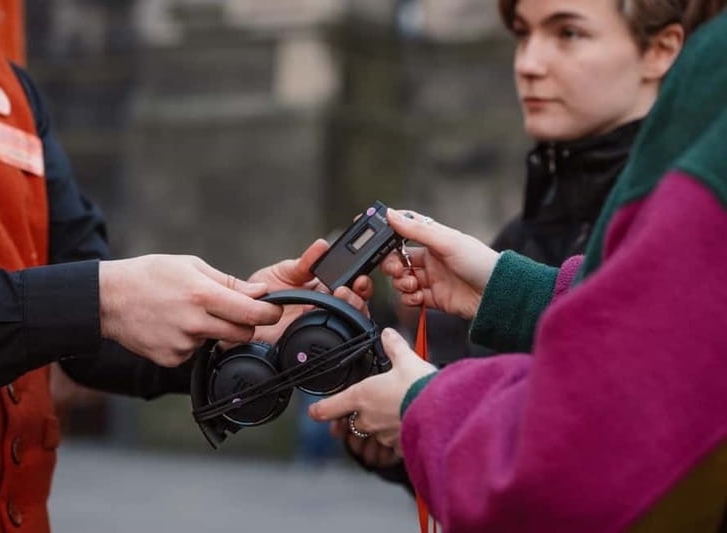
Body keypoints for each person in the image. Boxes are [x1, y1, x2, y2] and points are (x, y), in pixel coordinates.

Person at [0, 13, 371, 532]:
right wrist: (101, 299)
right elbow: (89, 300)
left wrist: (237, 324)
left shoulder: (0, 81)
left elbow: (84, 322)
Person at [311, 3, 727, 531]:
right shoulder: (514, 239)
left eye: (569, 34)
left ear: (665, 51)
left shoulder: (690, 184)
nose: (528, 63)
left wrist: (425, 409)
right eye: (521, 35)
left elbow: (575, 456)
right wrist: (407, 439)